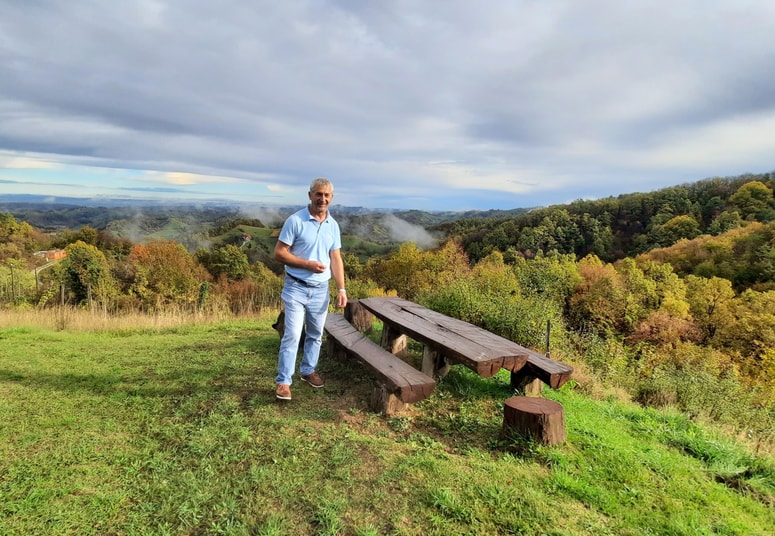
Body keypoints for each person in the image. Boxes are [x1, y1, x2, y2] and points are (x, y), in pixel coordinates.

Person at [273, 177, 347, 400]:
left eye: (326, 195)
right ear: (310, 195)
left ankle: (308, 371)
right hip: (296, 287)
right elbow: (279, 253)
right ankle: (284, 382)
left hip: (321, 290)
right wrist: (307, 264)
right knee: (293, 335)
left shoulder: (333, 226)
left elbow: (336, 258)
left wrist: (341, 289)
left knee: (315, 335)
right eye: (318, 194)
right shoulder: (295, 220)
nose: (322, 199)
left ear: (331, 198)